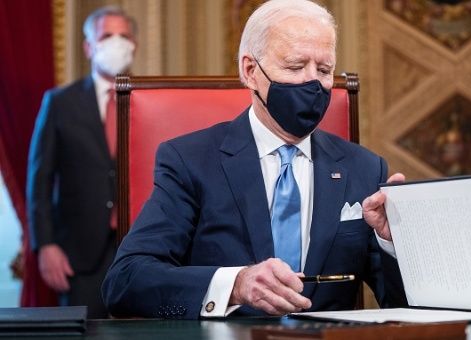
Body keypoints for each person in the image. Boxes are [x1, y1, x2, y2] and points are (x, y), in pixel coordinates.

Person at [102, 0, 407, 319]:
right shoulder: (189, 161)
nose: (312, 82)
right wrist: (234, 285)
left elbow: (406, 306)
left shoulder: (365, 168)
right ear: (250, 71)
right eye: (294, 66)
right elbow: (126, 282)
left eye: (324, 70)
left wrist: (398, 245)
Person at [27, 6, 137, 318]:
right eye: (106, 35)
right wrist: (45, 244)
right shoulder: (60, 103)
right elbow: (40, 179)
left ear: (135, 45)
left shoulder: (150, 99)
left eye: (124, 36)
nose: (116, 43)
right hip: (80, 253)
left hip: (140, 250)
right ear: (89, 46)